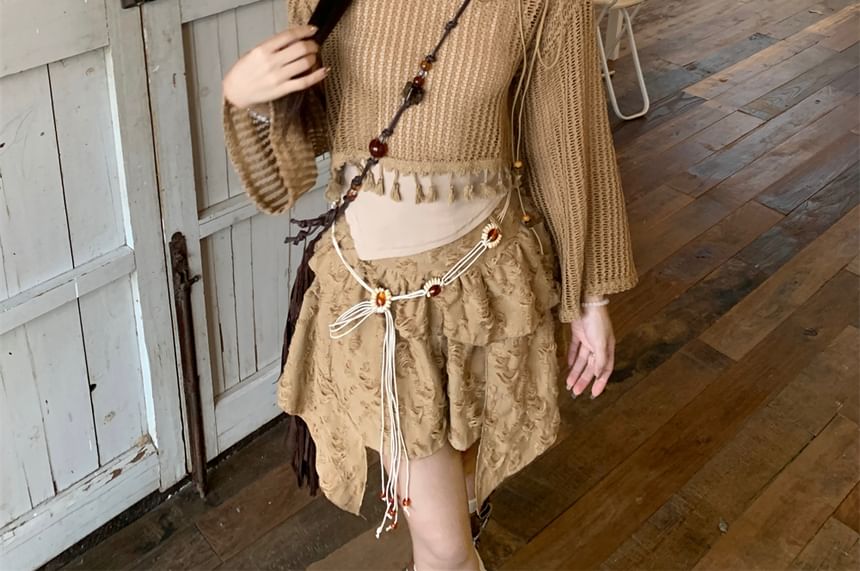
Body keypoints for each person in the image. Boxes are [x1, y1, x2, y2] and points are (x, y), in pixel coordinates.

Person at [222, 1, 638, 569]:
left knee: (464, 484)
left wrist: (590, 295)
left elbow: (567, 137)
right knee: (445, 551)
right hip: (380, 304)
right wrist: (249, 99)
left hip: (485, 288)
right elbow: (310, 133)